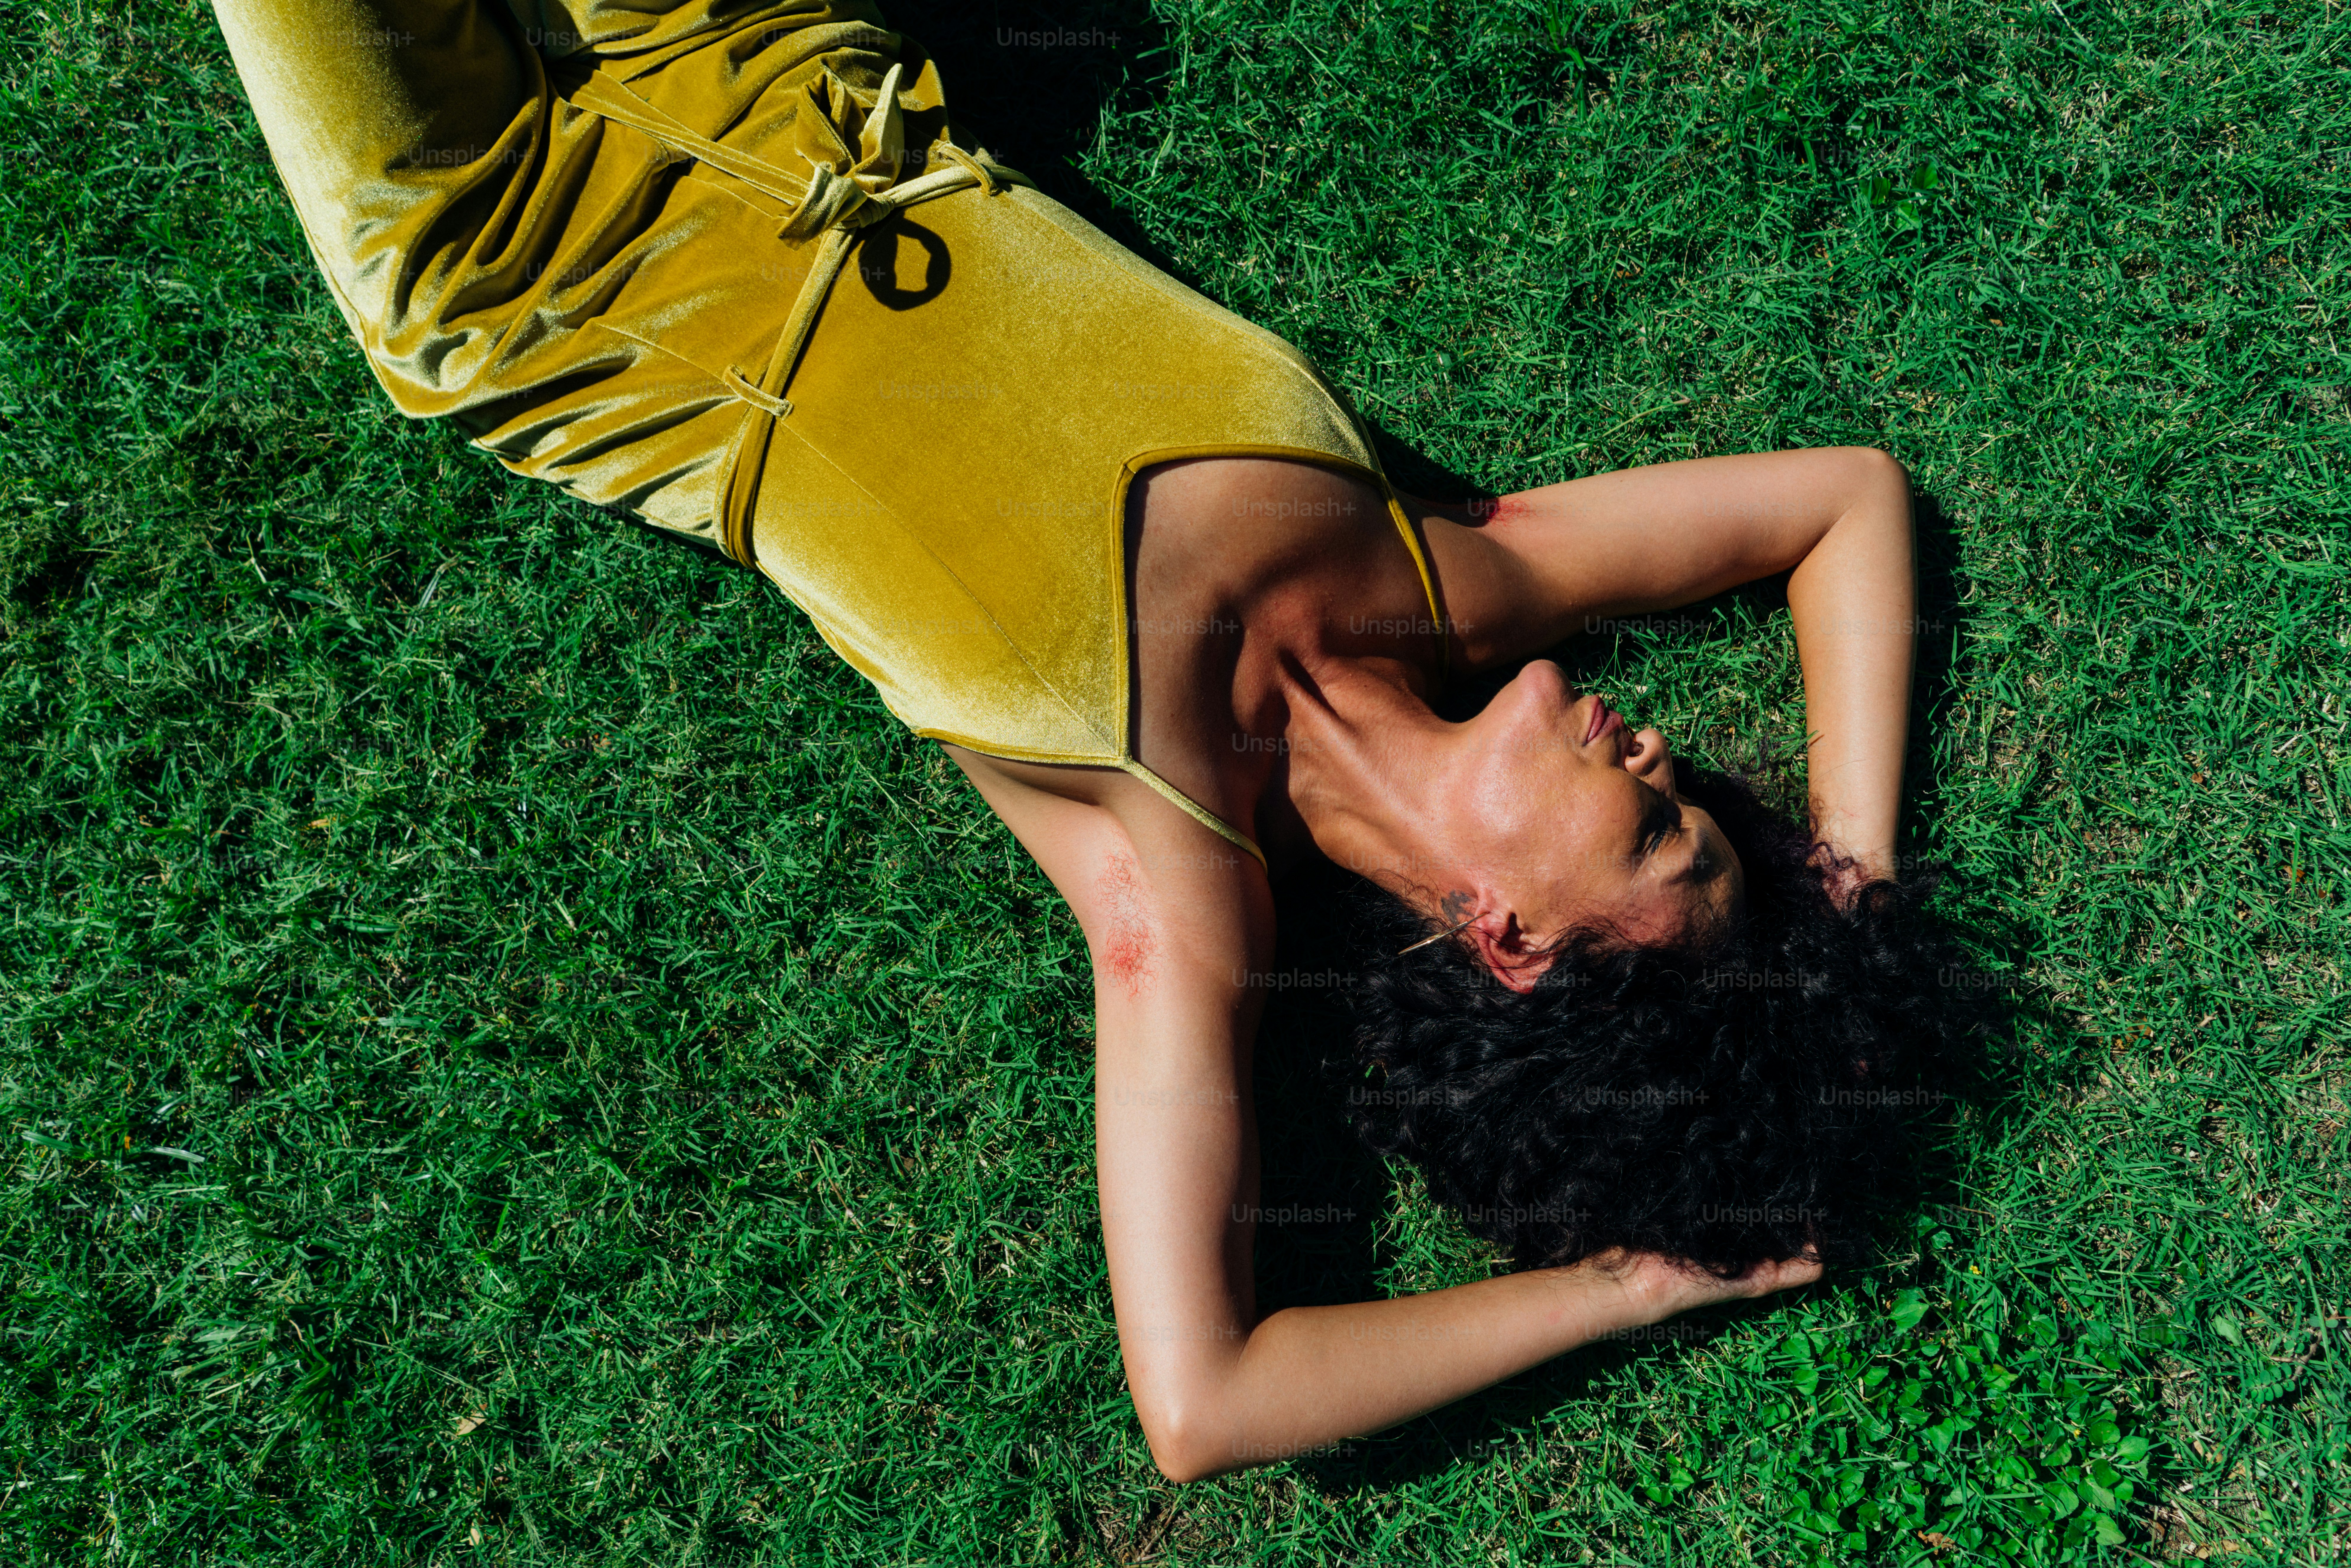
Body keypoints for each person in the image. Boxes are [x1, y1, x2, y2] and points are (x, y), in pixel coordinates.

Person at [214, 0, 1964, 1483]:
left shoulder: (1170, 885)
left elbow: (1205, 1400)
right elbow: (1846, 508)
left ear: (1507, 942)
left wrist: (1640, 1280)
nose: (1664, 756)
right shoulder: (1466, 573)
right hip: (749, 45)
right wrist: (1854, 897)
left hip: (520, 256)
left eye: (1663, 838)